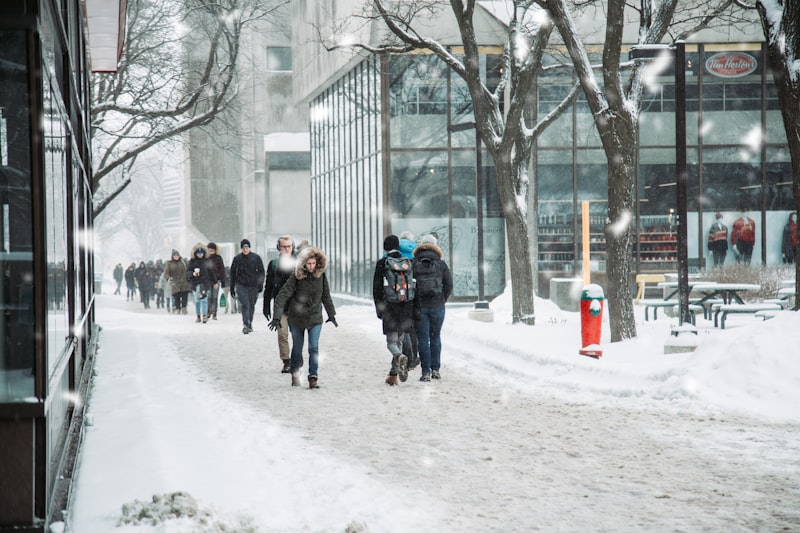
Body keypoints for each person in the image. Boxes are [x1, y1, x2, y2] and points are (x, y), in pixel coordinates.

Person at [269, 246, 337, 389]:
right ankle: (295, 373)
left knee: (313, 348)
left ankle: (313, 377)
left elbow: (326, 296)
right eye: (308, 263)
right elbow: (282, 295)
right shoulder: (296, 276)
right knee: (297, 348)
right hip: (297, 318)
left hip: (315, 317)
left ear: (317, 263)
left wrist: (331, 314)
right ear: (303, 263)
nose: (311, 266)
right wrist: (276, 317)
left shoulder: (321, 276)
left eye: (313, 263)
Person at [373, 234, 419, 386]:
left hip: (390, 307)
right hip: (406, 306)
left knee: (391, 343)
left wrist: (380, 309)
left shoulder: (383, 263)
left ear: (385, 248)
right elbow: (414, 286)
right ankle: (393, 374)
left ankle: (399, 358)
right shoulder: (407, 262)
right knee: (399, 339)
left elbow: (377, 289)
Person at [413, 234, 452, 382]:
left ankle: (425, 372)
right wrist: (442, 299)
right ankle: (436, 369)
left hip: (420, 306)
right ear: (435, 246)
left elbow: (411, 285)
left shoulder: (413, 263)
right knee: (435, 337)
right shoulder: (441, 264)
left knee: (422, 338)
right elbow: (449, 285)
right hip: (437, 306)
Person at [263, 235, 298, 373]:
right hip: (280, 304)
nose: (287, 249)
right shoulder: (274, 264)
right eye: (284, 246)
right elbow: (269, 285)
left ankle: (296, 358)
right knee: (282, 334)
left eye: (289, 246)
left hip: (296, 304)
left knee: (297, 334)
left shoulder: (299, 262)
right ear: (279, 247)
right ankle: (286, 361)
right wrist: (266, 304)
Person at [230, 239, 265, 334]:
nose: (245, 249)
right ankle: (245, 323)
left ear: (249, 248)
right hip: (241, 285)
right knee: (245, 304)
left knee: (251, 304)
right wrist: (232, 287)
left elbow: (261, 272)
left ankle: (250, 322)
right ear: (241, 248)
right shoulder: (237, 259)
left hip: (253, 285)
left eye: (247, 247)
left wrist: (260, 284)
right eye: (243, 248)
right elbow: (233, 273)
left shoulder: (256, 258)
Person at [398, 231, 419, 369]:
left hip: (397, 294)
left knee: (401, 328)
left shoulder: (392, 254)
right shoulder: (416, 252)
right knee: (412, 328)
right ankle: (413, 358)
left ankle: (404, 354)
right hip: (413, 294)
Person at [187, 243, 217, 323]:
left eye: (201, 253)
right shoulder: (192, 261)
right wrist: (192, 274)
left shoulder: (207, 261)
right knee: (197, 300)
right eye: (198, 253)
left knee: (204, 299)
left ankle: (204, 315)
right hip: (195, 283)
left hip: (205, 283)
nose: (200, 255)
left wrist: (215, 282)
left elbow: (211, 272)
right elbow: (188, 271)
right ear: (195, 254)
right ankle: (198, 316)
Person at [164, 249, 191, 315]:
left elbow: (189, 269)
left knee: (184, 296)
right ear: (172, 256)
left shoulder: (183, 262)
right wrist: (168, 278)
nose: (176, 257)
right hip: (175, 283)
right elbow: (166, 273)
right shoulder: (169, 263)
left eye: (177, 255)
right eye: (175, 256)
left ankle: (184, 308)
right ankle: (178, 309)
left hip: (184, 282)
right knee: (177, 296)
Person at [206, 243, 227, 320]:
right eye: (209, 250)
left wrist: (223, 281)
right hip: (207, 280)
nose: (211, 252)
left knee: (215, 297)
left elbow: (222, 270)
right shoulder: (205, 258)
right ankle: (208, 311)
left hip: (216, 280)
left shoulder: (218, 258)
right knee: (209, 296)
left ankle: (214, 312)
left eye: (212, 250)